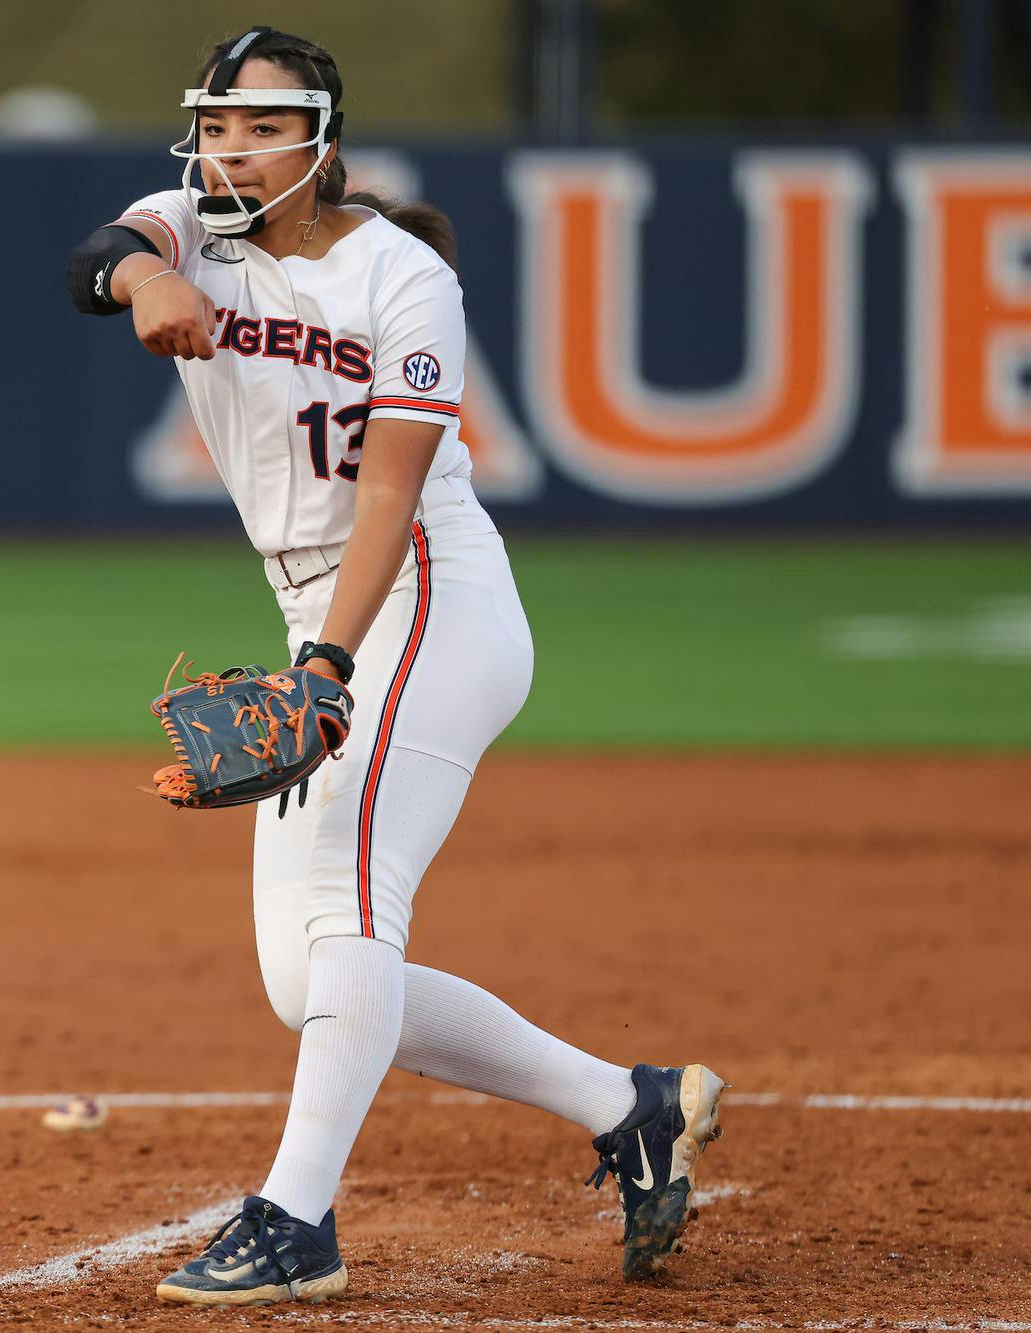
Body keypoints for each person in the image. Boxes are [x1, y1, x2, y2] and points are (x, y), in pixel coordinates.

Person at [64, 27, 725, 1309]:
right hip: (321, 611)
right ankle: (628, 1106)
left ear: (319, 136)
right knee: (304, 981)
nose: (230, 149)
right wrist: (146, 283)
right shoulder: (186, 229)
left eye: (259, 127)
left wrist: (323, 669)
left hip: (425, 598)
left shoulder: (403, 274)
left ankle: (293, 1219)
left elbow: (390, 494)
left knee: (354, 910)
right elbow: (100, 255)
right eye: (215, 125)